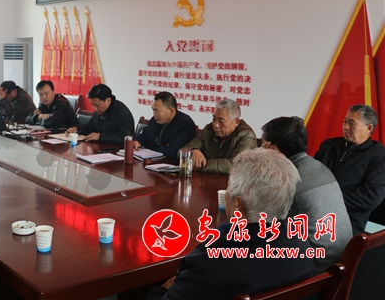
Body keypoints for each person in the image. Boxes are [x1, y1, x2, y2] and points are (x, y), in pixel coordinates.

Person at [144, 148, 315, 300]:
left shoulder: (208, 263)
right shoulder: (302, 246)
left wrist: (159, 290)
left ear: (238, 205)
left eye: (228, 187)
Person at [261, 116, 353, 272]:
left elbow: (260, 221)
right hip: (341, 261)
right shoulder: (319, 167)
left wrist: (262, 161)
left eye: (264, 145)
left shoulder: (286, 180)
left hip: (317, 268)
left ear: (274, 149)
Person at [315, 104, 385, 235]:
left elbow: (371, 196)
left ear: (369, 128)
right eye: (345, 121)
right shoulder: (328, 146)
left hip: (346, 224)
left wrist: (326, 196)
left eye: (352, 123)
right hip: (313, 214)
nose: (346, 127)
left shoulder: (379, 156)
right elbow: (310, 177)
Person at [180, 98, 257, 174]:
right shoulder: (209, 130)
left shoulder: (247, 135)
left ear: (236, 122)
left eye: (221, 121)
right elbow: (182, 151)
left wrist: (201, 164)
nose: (216, 125)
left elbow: (237, 165)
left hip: (234, 181)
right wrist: (193, 151)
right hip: (207, 178)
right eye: (214, 119)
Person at [134, 91, 197, 159]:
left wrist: (153, 147)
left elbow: (175, 152)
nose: (154, 114)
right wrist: (137, 141)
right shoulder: (154, 121)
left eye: (157, 111)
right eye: (153, 110)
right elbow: (144, 137)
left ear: (171, 111)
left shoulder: (185, 124)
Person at [67, 84, 134, 144]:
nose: (94, 108)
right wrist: (77, 129)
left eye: (97, 105)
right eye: (92, 104)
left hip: (116, 151)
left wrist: (100, 136)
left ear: (108, 101)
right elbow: (90, 127)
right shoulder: (99, 111)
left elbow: (125, 138)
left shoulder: (123, 114)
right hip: (99, 148)